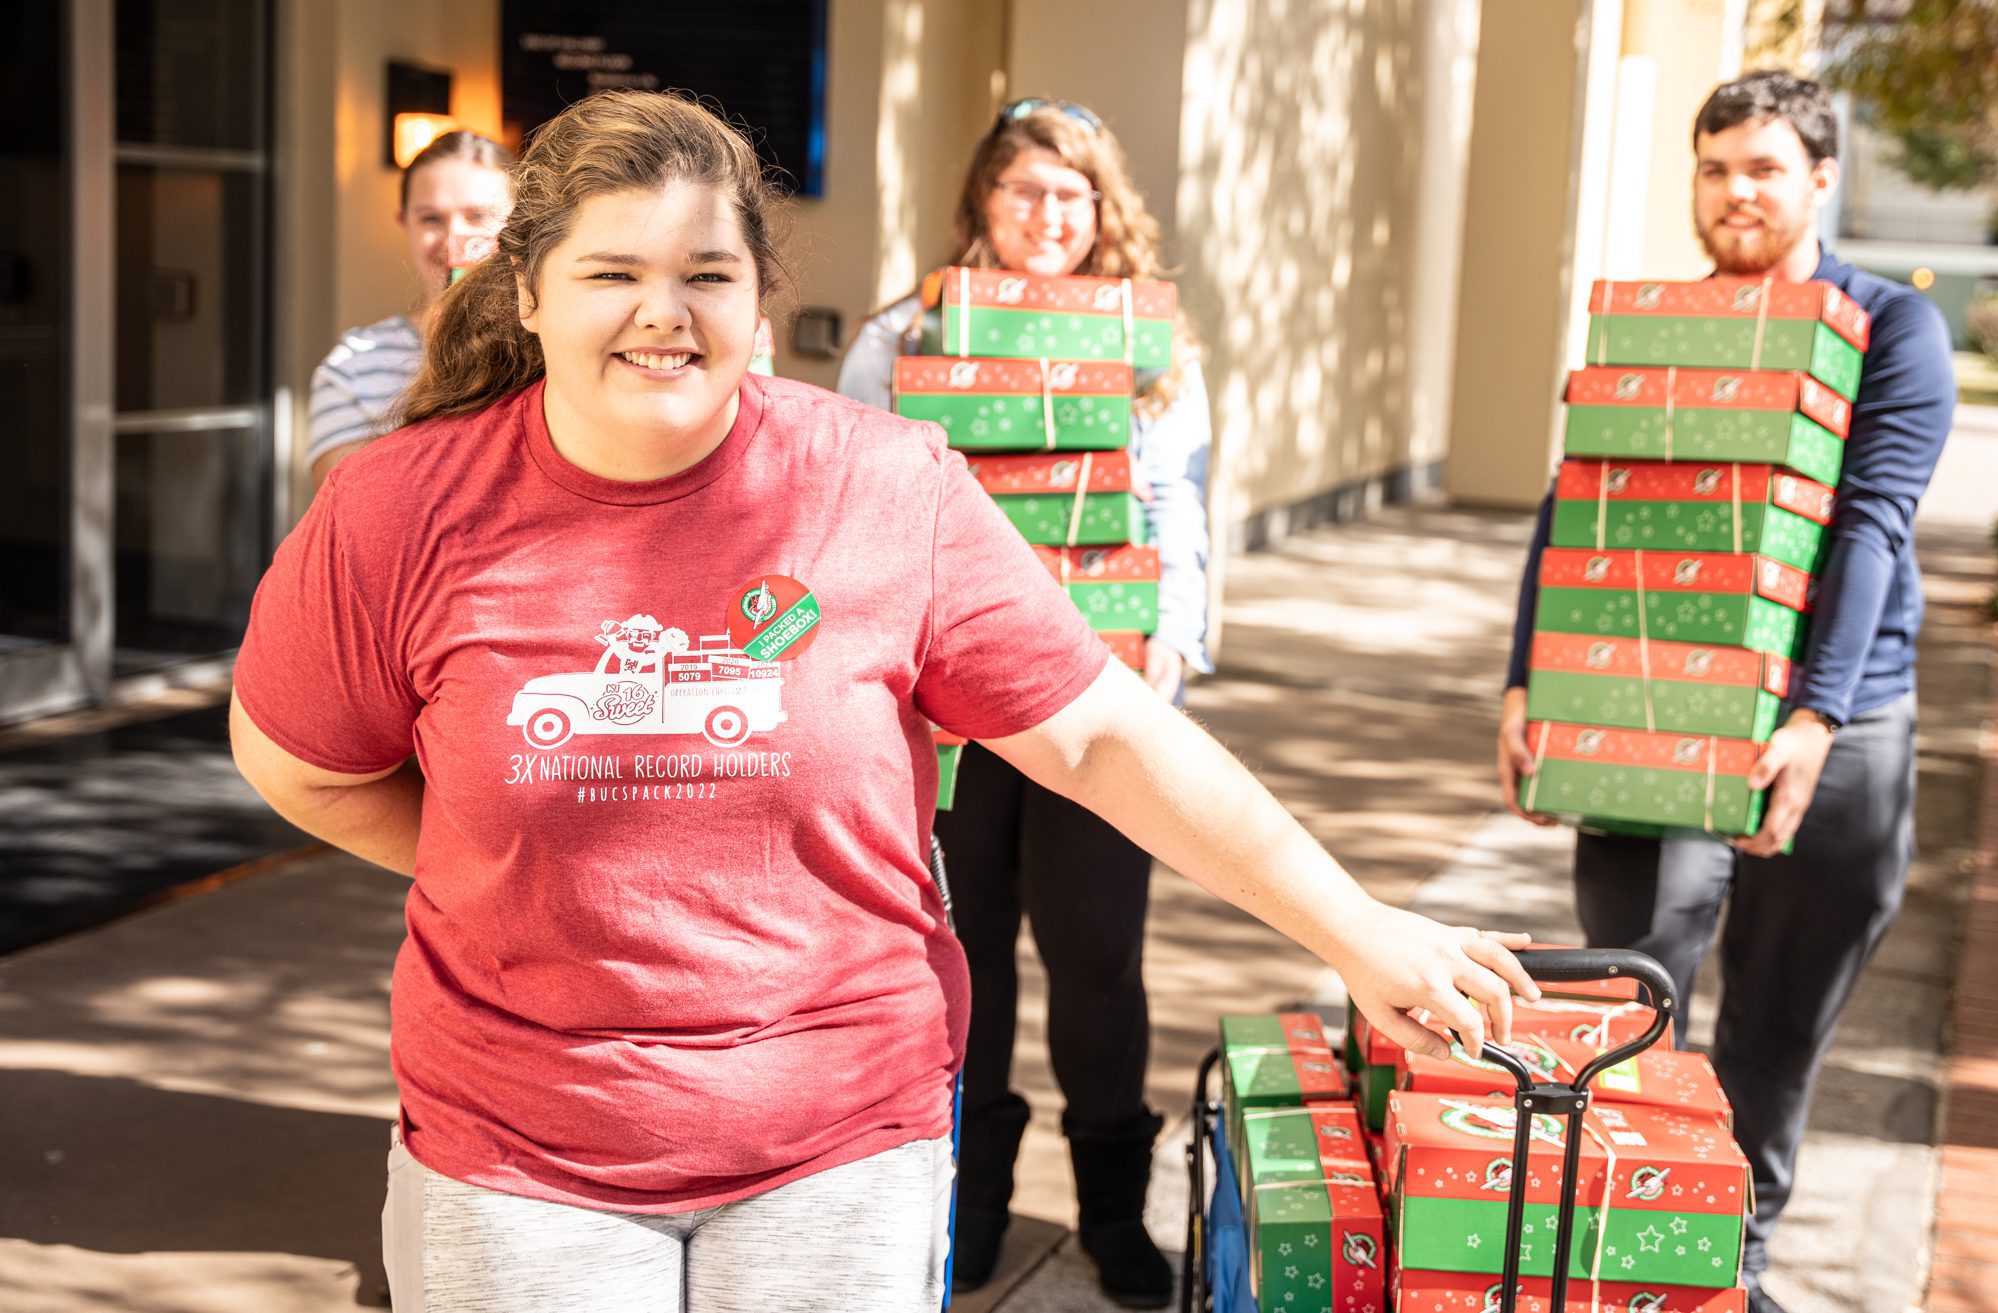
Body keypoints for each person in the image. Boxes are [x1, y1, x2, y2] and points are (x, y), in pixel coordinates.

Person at [230, 89, 1538, 1313]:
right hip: (516, 1160)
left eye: (706, 275)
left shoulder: (885, 487)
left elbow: (1098, 733)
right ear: (525, 292)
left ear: (763, 298)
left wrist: (1355, 928)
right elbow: (301, 763)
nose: (661, 312)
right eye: (611, 273)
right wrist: (503, 858)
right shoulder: (397, 510)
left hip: (834, 1147)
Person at [1494, 71, 1955, 1313]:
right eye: (1713, 168)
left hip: (1844, 708)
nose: (1735, 192)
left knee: (1774, 1017)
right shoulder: (1659, 323)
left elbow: (1869, 523)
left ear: (1819, 178)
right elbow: (1577, 497)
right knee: (1634, 984)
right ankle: (1617, 1246)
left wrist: (1813, 716)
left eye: (1762, 168)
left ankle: (1726, 1269)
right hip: (1645, 702)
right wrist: (1526, 676)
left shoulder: (1886, 325)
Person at [836, 98, 1211, 1305]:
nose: (1046, 214)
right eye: (1021, 190)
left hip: (1099, 694)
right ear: (980, 201)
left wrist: (1166, 640)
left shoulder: (1152, 346)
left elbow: (1179, 507)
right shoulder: (908, 331)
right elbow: (852, 509)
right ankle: (973, 1202)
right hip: (944, 706)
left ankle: (1110, 1212)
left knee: (1098, 953)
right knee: (965, 951)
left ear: (1103, 210)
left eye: (1070, 193)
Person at [306, 129, 515, 486]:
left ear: (520, 224)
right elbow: (357, 510)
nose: (453, 239)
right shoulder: (352, 367)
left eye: (478, 216)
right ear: (405, 224)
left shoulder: (558, 346)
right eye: (431, 219)